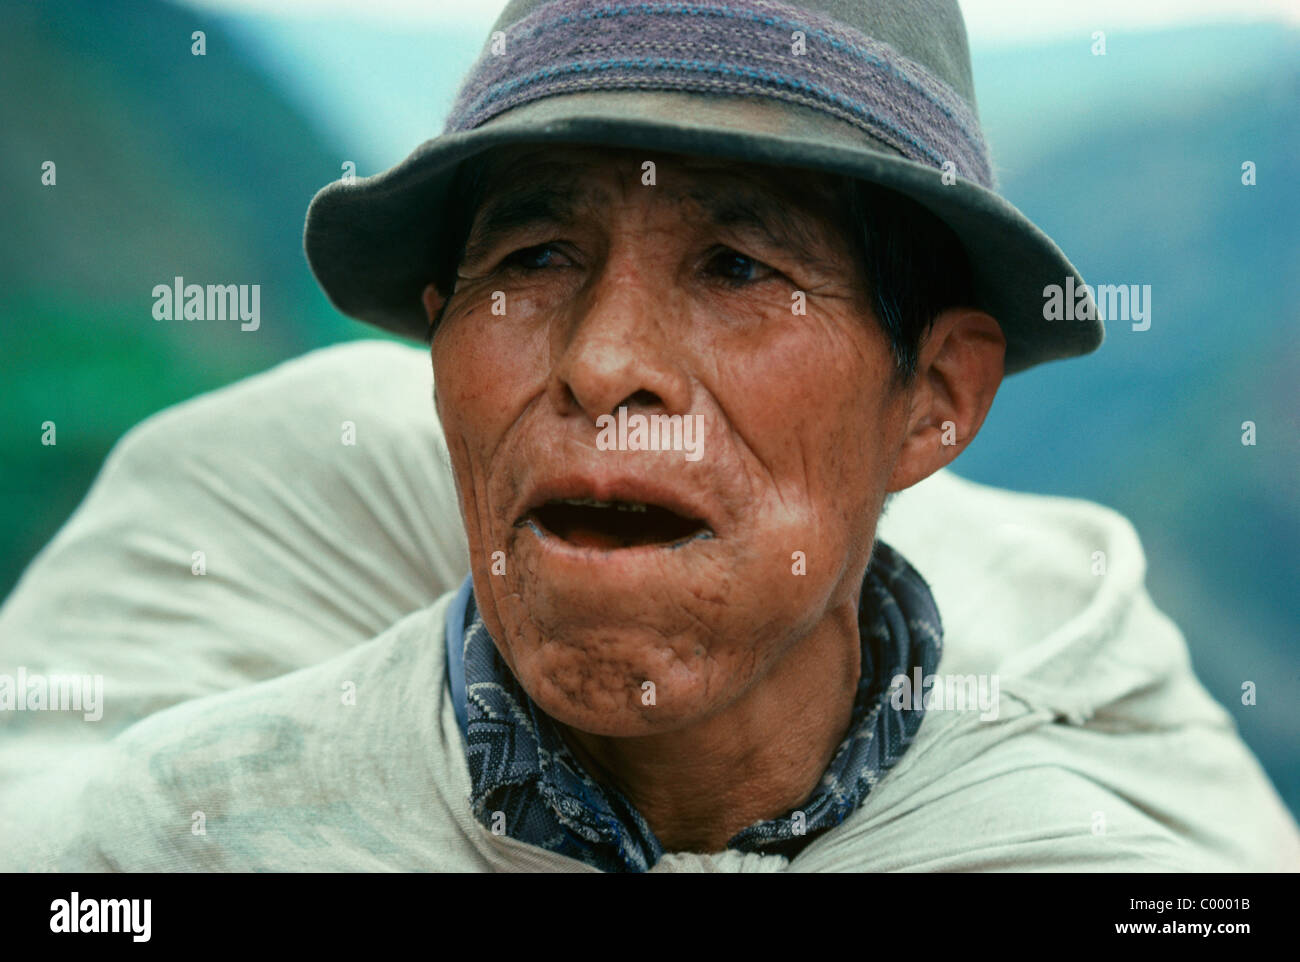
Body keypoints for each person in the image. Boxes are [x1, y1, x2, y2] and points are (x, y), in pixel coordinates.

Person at [1, 0, 1296, 871]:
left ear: (937, 395)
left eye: (739, 266)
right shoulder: (176, 822)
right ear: (441, 340)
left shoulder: (1105, 811)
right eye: (538, 255)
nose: (602, 363)